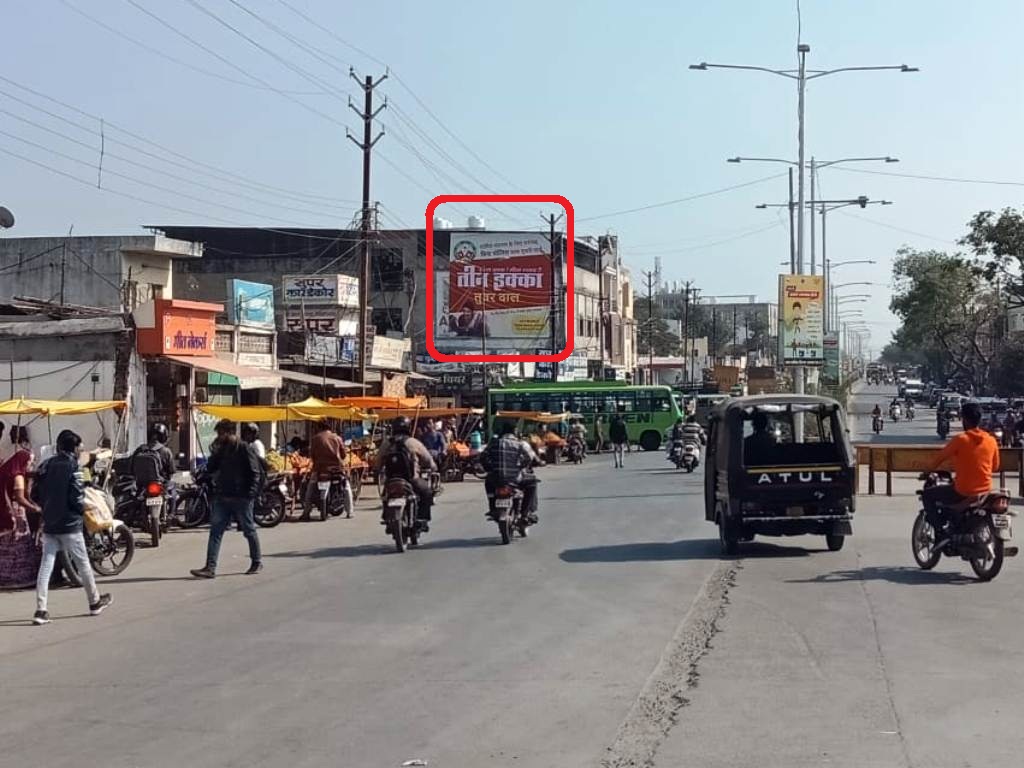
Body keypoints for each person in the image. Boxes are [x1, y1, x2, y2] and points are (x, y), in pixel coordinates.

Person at [31, 430, 112, 624]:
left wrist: (47, 508)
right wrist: (82, 511)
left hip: (50, 523)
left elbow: (34, 493)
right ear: (73, 448)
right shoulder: (74, 467)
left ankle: (41, 610)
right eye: (79, 448)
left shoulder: (45, 465)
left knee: (46, 566)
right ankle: (94, 602)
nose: (80, 451)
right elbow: (76, 497)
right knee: (83, 564)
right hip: (70, 525)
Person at [190, 420, 262, 579]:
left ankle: (256, 561)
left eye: (221, 433)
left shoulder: (244, 448)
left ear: (230, 433)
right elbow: (211, 468)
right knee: (215, 531)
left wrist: (250, 494)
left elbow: (255, 472)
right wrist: (214, 452)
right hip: (223, 496)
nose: (219, 436)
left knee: (248, 530)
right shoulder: (222, 450)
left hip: (241, 497)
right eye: (218, 434)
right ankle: (210, 567)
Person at [923, 401, 1000, 531]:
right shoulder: (991, 440)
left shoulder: (961, 439)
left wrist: (927, 471)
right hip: (985, 490)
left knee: (927, 495)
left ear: (964, 420)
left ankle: (940, 529)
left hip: (963, 491)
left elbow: (940, 458)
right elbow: (996, 467)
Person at [378, 416, 436, 531]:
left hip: (391, 480)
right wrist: (433, 467)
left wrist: (377, 469)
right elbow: (428, 460)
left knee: (385, 496)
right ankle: (422, 519)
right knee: (427, 492)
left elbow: (377, 461)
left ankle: (386, 517)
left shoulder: (387, 443)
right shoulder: (413, 443)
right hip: (411, 479)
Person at [0, 446, 42, 589]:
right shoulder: (17, 476)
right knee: (19, 545)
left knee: (6, 547)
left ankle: (4, 577)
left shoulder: (6, 471)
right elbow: (20, 499)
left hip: (5, 510)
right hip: (15, 513)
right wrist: (35, 509)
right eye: (30, 462)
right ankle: (19, 578)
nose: (30, 465)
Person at [484, 421, 539, 524]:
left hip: (496, 479)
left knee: (488, 482)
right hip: (515, 478)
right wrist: (521, 466)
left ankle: (492, 508)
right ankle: (525, 513)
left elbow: (483, 457)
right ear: (515, 431)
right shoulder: (520, 444)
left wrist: (490, 468)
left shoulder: (493, 443)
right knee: (532, 483)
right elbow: (530, 457)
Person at [301, 420, 348, 521]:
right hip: (336, 469)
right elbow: (343, 454)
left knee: (310, 489)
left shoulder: (315, 439)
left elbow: (312, 455)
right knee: (347, 487)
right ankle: (350, 511)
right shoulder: (337, 438)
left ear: (319, 428)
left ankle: (306, 512)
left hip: (319, 469)